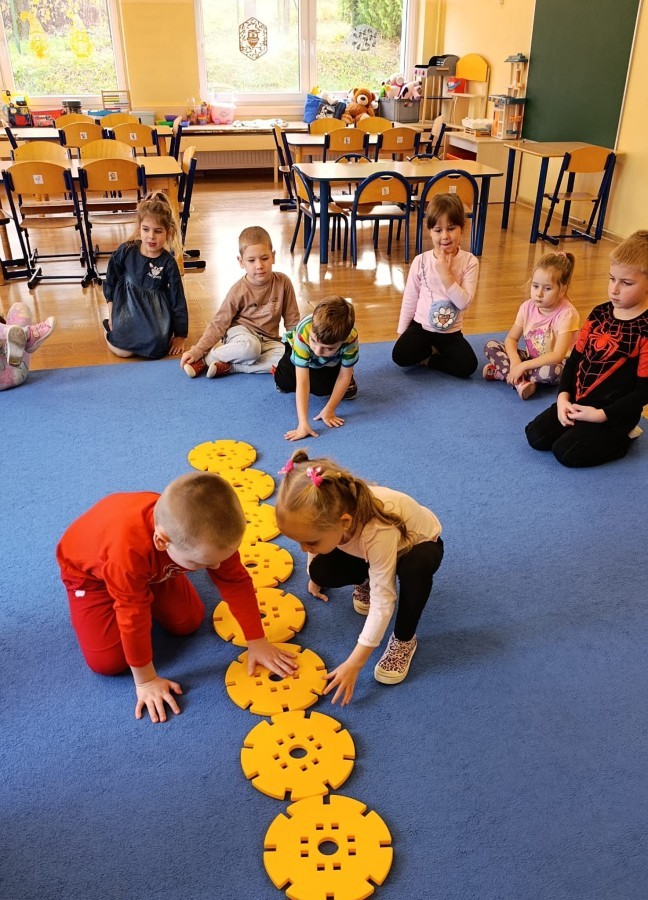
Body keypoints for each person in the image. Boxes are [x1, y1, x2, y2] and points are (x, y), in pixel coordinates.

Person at [56, 472, 297, 722]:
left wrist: (257, 641)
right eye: (203, 563)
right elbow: (132, 617)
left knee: (188, 622)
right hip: (90, 578)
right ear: (163, 542)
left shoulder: (208, 533)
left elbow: (235, 581)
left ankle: (155, 577)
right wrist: (146, 680)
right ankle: (145, 581)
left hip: (150, 565)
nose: (216, 567)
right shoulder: (126, 555)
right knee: (108, 663)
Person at [275, 451, 444, 706]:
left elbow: (384, 601)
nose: (303, 548)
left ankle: (404, 640)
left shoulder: (377, 530)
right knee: (321, 570)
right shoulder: (330, 515)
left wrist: (354, 663)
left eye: (309, 542)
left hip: (416, 546)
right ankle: (367, 577)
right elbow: (313, 537)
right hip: (368, 548)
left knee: (415, 569)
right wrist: (314, 574)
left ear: (344, 523)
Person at [526, 230, 648, 467]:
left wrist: (601, 415)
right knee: (536, 436)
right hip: (579, 400)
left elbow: (644, 391)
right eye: (611, 279)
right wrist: (563, 398)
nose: (614, 289)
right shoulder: (599, 313)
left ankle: (624, 438)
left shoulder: (645, 329)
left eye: (626, 283)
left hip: (613, 413)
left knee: (565, 453)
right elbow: (574, 361)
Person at [180, 225, 300, 379]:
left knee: (290, 360)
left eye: (265, 258)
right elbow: (219, 324)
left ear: (273, 256)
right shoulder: (238, 290)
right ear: (241, 261)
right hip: (242, 336)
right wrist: (198, 350)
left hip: (269, 341)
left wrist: (299, 348)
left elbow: (292, 321)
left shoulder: (283, 282)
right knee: (251, 348)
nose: (259, 266)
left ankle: (233, 366)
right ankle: (207, 359)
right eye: (251, 260)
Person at [392, 193, 479, 378]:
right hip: (422, 327)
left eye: (451, 228)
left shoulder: (470, 262)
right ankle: (430, 350)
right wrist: (401, 332)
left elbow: (463, 302)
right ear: (429, 231)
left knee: (468, 366)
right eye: (438, 230)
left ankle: (430, 359)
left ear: (462, 228)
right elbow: (410, 299)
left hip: (450, 332)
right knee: (399, 356)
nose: (445, 236)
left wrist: (445, 274)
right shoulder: (421, 261)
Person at [102, 191, 188, 360]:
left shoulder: (169, 263)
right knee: (123, 352)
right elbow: (111, 279)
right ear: (139, 227)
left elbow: (178, 299)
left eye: (158, 231)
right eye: (146, 229)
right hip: (127, 307)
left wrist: (180, 335)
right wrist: (111, 313)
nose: (151, 236)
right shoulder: (126, 250)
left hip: (154, 312)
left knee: (157, 349)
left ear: (169, 232)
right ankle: (108, 331)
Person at [483, 251, 580, 400]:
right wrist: (515, 361)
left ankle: (504, 374)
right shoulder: (526, 307)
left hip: (556, 364)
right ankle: (521, 381)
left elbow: (558, 355)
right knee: (491, 346)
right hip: (531, 359)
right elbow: (511, 339)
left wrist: (522, 367)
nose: (539, 293)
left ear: (562, 290)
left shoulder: (567, 314)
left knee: (554, 372)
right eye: (535, 286)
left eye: (547, 288)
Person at [274, 296, 359, 442]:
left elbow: (344, 376)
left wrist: (330, 409)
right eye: (314, 341)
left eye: (328, 348)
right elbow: (302, 382)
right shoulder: (305, 331)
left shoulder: (351, 338)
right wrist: (303, 423)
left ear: (343, 341)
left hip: (330, 362)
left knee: (322, 389)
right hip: (299, 349)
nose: (318, 351)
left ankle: (344, 372)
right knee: (283, 382)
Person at [0, 301, 56, 391]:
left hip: (15, 371)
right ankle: (27, 335)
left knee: (19, 308)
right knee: (16, 332)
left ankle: (21, 336)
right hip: (12, 376)